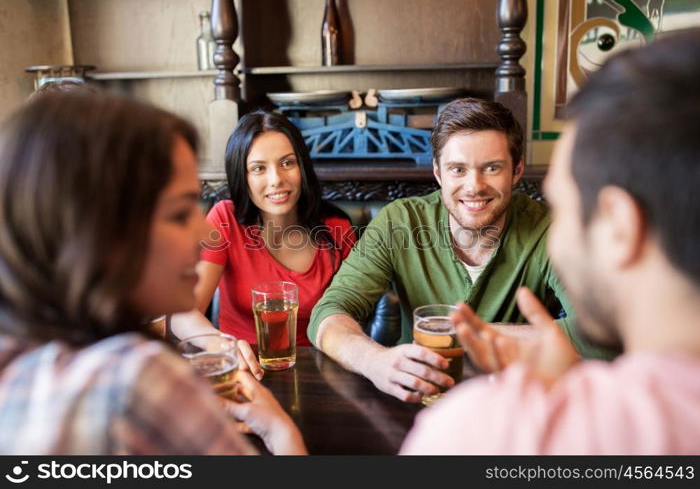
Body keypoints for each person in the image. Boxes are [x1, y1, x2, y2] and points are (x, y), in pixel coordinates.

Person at [401, 29, 700, 454]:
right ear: (438, 173)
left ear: (620, 227)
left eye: (564, 207)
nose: (554, 234)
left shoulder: (485, 431)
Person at [0, 92, 305, 455]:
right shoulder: (138, 379)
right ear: (97, 233)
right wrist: (283, 434)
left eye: (287, 163)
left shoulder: (18, 360)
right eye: (178, 214)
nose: (199, 234)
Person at [308, 97, 611, 403]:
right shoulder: (399, 222)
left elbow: (601, 334)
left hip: (513, 404)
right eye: (458, 169)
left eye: (492, 168)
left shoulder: (550, 229)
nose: (474, 186)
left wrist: (472, 334)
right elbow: (328, 315)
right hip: (415, 401)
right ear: (438, 172)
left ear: (517, 170)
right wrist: (375, 362)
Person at [170, 111, 356, 360]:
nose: (276, 179)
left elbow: (350, 317)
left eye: (287, 163)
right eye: (258, 168)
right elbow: (183, 312)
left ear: (302, 167)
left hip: (318, 367)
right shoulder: (225, 219)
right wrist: (224, 347)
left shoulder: (337, 229)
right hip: (241, 366)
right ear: (242, 177)